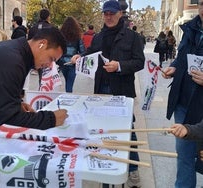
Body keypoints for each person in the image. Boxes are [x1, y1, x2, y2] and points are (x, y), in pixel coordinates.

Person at [71, 1, 145, 187]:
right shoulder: (99, 36)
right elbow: (90, 55)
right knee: (104, 129)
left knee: (128, 131)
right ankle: (107, 164)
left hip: (122, 91)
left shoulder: (133, 37)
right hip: (101, 90)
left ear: (120, 13)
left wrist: (119, 66)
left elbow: (139, 62)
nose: (108, 16)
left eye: (112, 13)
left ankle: (133, 168)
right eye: (105, 13)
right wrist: (80, 58)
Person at [0, 26, 68, 132]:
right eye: (51, 59)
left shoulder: (16, 50)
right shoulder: (12, 61)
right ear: (42, 44)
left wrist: (15, 102)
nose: (50, 65)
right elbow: (9, 119)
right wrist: (51, 118)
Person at [162, 1, 203, 187]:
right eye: (202, 4)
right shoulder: (190, 28)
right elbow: (181, 58)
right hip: (183, 103)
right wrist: (174, 68)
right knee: (184, 156)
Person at [57, 17, 85, 93]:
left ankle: (67, 95)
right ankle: (68, 96)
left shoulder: (61, 36)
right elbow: (83, 51)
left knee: (67, 81)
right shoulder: (78, 37)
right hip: (73, 63)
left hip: (63, 63)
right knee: (70, 84)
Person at [28, 9, 52, 75]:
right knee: (46, 78)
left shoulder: (33, 28)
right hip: (47, 56)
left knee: (41, 77)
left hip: (35, 56)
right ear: (48, 17)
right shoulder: (51, 28)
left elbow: (29, 42)